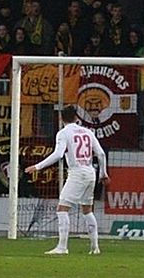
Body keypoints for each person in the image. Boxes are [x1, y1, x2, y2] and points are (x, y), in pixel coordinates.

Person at [24, 105, 108, 255]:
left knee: (62, 209)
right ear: (77, 118)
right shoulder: (88, 132)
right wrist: (103, 173)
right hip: (91, 172)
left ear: (61, 118)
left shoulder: (63, 133)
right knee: (87, 210)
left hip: (77, 173)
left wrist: (37, 166)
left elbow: (58, 154)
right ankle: (95, 247)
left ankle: (62, 247)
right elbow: (101, 154)